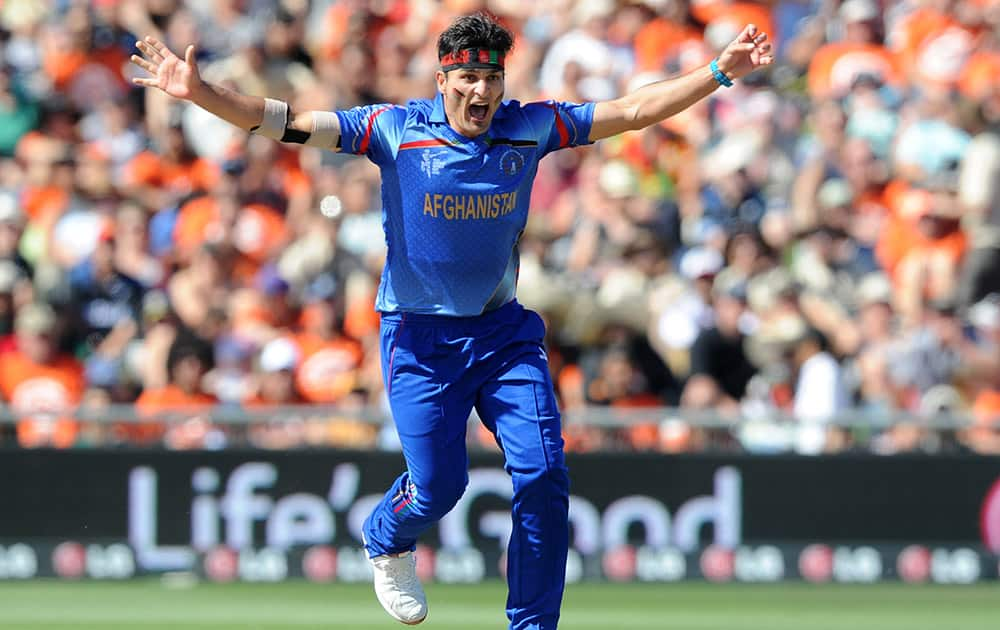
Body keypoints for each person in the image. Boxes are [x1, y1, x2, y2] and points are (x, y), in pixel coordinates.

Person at [130, 12, 772, 629]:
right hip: (419, 340)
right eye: (468, 78)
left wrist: (718, 71)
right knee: (439, 488)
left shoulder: (530, 127)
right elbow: (289, 122)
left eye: (493, 78)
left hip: (503, 336)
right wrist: (201, 93)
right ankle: (386, 537)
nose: (482, 90)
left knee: (545, 474)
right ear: (443, 81)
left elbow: (632, 111)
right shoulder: (394, 129)